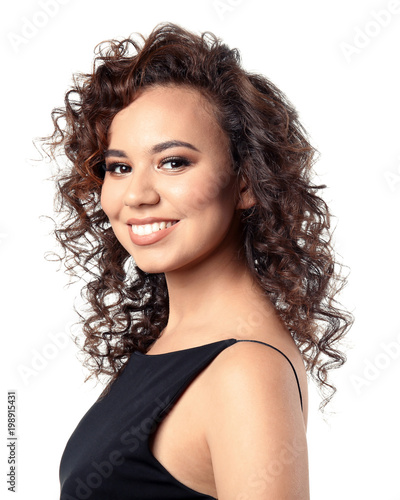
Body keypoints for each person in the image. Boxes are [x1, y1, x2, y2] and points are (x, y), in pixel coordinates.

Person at [43, 22, 353, 500]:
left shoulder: (245, 370)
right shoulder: (174, 343)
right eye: (119, 167)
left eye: (174, 162)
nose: (138, 195)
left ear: (246, 181)